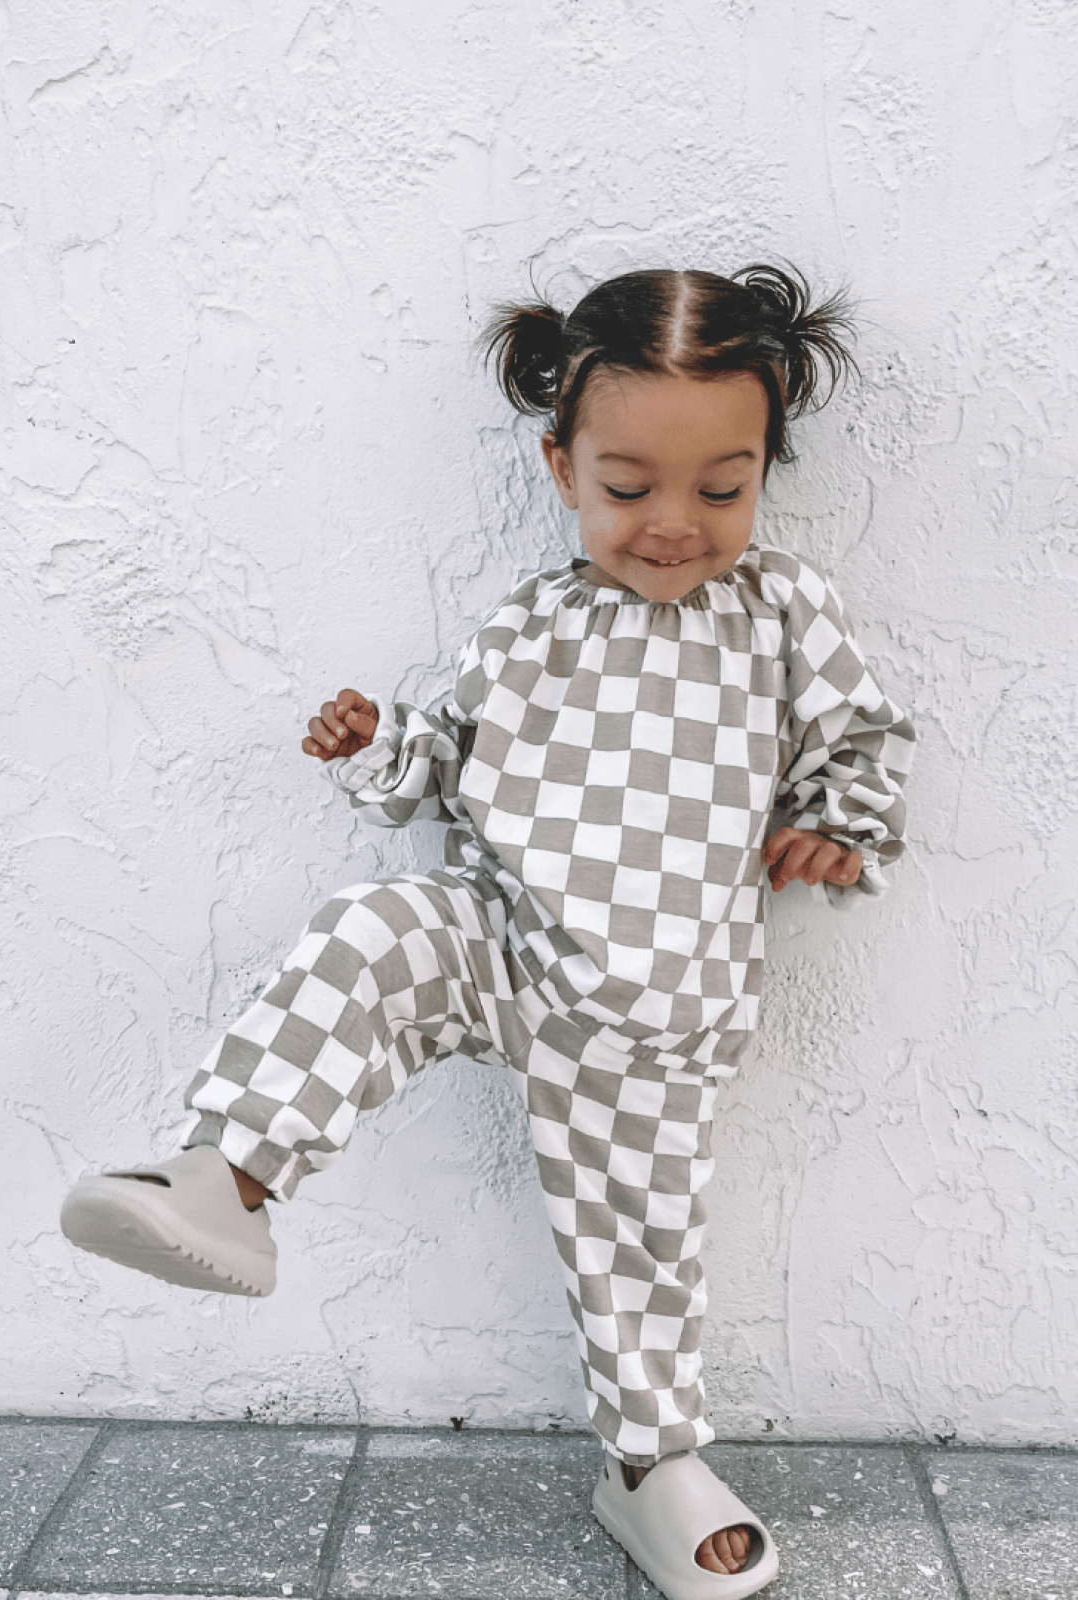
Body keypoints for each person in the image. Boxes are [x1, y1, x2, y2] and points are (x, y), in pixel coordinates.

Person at [61, 263, 914, 1600]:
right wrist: (379, 746)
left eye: (722, 487)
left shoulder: (782, 617)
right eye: (629, 488)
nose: (674, 525)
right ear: (561, 465)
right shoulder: (530, 626)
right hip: (511, 951)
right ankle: (228, 1181)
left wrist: (838, 825)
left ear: (766, 469)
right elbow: (454, 771)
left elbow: (860, 740)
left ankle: (652, 1466)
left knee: (639, 1246)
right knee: (378, 925)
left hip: (656, 1014)